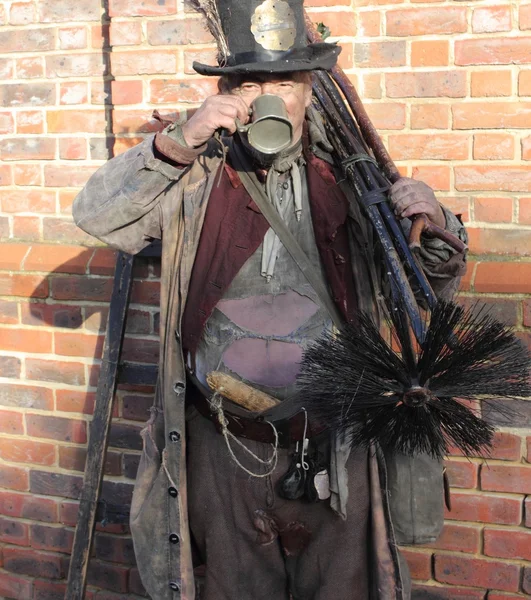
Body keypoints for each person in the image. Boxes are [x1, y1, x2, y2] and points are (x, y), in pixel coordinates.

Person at [73, 0, 467, 598]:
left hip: (337, 442)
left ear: (312, 89)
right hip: (223, 443)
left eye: (285, 81)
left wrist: (435, 222)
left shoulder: (355, 181)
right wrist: (180, 140)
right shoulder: (195, 173)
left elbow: (426, 287)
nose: (270, 97)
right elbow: (98, 217)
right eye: (252, 82)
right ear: (231, 91)